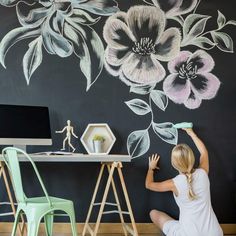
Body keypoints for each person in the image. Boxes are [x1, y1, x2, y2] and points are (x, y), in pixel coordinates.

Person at [145, 128, 223, 236]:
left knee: (153, 213)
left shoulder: (173, 184)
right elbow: (204, 152)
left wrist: (151, 169)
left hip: (188, 234)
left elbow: (149, 185)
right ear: (192, 158)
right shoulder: (203, 173)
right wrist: (191, 133)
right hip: (215, 233)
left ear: (173, 163)